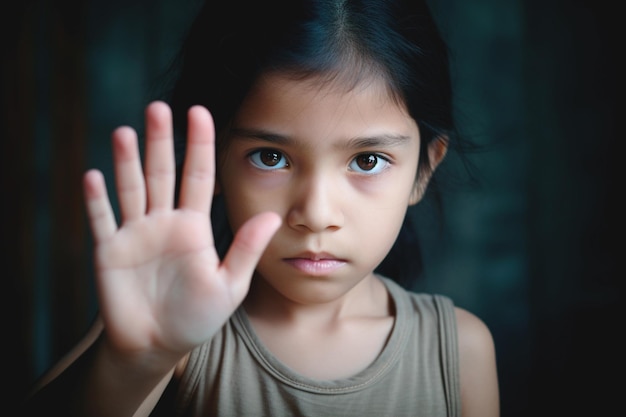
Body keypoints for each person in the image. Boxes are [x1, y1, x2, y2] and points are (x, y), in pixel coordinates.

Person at [25, 0, 499, 415]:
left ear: (423, 170)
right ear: (208, 159)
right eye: (270, 158)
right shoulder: (171, 326)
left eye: (367, 160)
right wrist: (136, 362)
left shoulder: (459, 352)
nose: (315, 213)